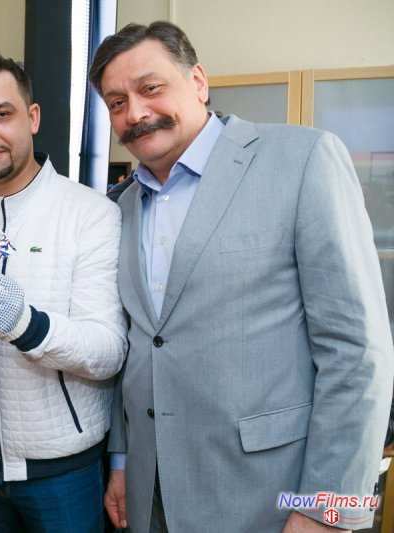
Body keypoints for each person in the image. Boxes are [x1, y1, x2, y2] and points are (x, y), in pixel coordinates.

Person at [88, 21, 394, 533]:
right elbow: (139, 347)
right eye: (117, 103)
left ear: (198, 82)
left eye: (150, 88)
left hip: (270, 494)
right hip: (151, 493)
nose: (135, 113)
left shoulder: (302, 160)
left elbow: (357, 350)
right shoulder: (119, 206)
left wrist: (327, 509)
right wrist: (122, 461)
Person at [0, 52, 126, 532]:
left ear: (33, 117)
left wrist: (28, 325)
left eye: (2, 114)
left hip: (60, 469)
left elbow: (108, 350)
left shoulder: (90, 214)